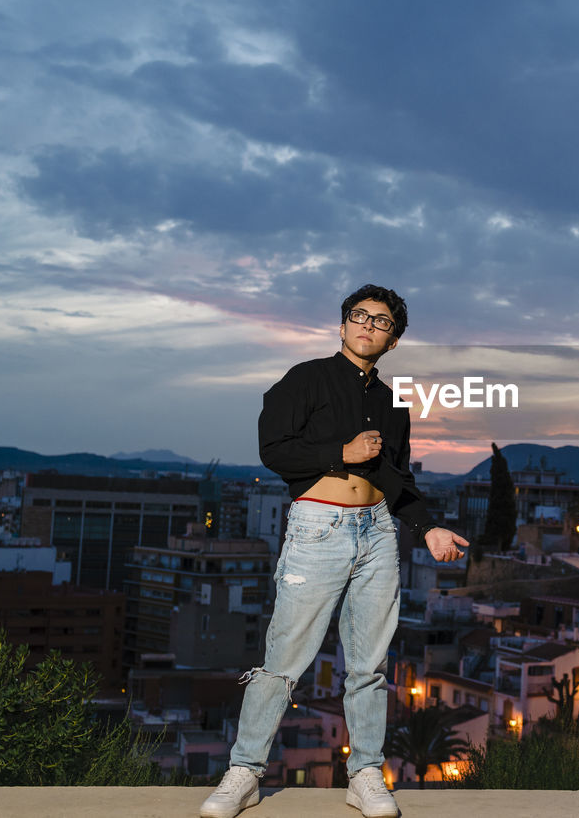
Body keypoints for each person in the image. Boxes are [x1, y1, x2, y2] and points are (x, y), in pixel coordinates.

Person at [201, 284, 470, 818]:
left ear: (393, 341)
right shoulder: (307, 377)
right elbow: (272, 447)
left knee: (369, 665)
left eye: (382, 321)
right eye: (360, 316)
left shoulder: (394, 405)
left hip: (378, 533)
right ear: (343, 325)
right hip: (318, 528)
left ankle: (366, 773)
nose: (368, 325)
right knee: (283, 660)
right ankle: (245, 772)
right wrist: (339, 453)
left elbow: (397, 476)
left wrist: (429, 526)